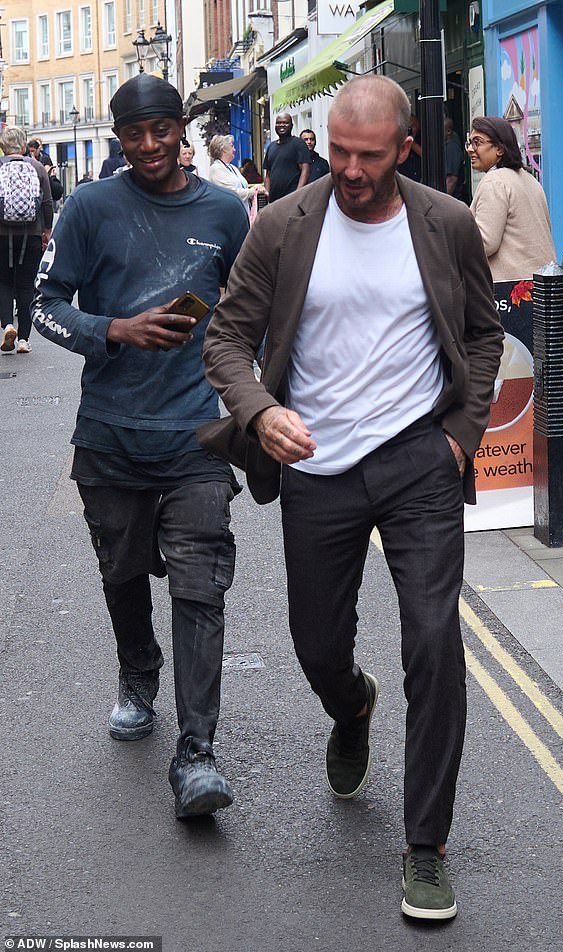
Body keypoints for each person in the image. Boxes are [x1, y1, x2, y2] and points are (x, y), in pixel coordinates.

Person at [199, 75, 503, 919]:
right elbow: (227, 336)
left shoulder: (445, 225)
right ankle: (352, 703)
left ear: (406, 149)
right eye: (338, 150)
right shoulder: (287, 225)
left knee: (436, 641)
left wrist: (458, 438)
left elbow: (482, 336)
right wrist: (260, 414)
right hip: (317, 464)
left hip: (418, 460)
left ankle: (426, 847)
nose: (349, 168)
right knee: (317, 645)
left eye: (368, 155)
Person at [31, 73, 249, 817]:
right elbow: (43, 308)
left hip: (195, 437)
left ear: (180, 130)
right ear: (119, 137)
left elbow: (250, 311)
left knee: (200, 586)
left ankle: (197, 753)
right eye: (135, 133)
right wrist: (114, 330)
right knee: (122, 575)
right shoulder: (90, 207)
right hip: (111, 438)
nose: (150, 145)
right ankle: (137, 671)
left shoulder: (225, 212)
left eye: (162, 130)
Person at [468, 116, 556, 281]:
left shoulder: (494, 181)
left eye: (477, 142)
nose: (470, 149)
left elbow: (485, 243)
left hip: (510, 292)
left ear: (499, 149)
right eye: (470, 142)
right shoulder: (530, 179)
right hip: (541, 286)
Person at [0, 127, 53, 356]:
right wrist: (46, 230)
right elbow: (48, 202)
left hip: (1, 235)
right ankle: (23, 339)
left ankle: (6, 324)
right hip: (31, 234)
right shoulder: (37, 167)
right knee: (26, 286)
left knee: (3, 282)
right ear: (23, 146)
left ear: (3, 146)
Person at [262, 113, 310, 202]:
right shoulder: (271, 147)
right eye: (279, 123)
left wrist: (297, 194)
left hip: (292, 199)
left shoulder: (298, 144)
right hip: (274, 201)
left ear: (291, 125)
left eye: (285, 123)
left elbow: (305, 170)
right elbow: (268, 175)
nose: (282, 125)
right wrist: (267, 193)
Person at [208, 134, 251, 208]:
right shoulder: (216, 169)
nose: (234, 149)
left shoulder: (232, 168)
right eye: (232, 146)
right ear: (223, 149)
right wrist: (253, 191)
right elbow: (231, 194)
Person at [444, 117, 465, 201]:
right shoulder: (446, 147)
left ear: (448, 131)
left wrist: (442, 202)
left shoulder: (452, 148)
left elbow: (451, 180)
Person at [396, 113, 422, 181]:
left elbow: (428, 157)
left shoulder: (422, 137)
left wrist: (411, 142)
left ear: (417, 124)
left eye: (413, 126)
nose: (411, 130)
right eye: (408, 128)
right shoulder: (399, 138)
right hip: (404, 177)